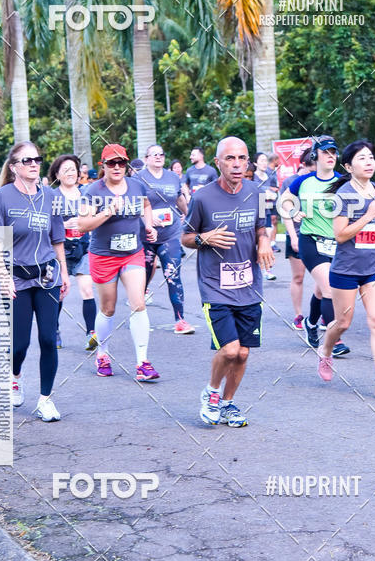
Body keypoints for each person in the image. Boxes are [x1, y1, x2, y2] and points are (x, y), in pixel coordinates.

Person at [181, 136, 274, 427]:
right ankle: (211, 392)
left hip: (249, 285)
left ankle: (228, 403)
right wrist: (204, 238)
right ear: (217, 162)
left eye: (242, 158)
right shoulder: (202, 197)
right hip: (215, 285)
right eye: (230, 159)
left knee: (243, 353)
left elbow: (262, 227)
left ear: (248, 162)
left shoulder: (255, 192)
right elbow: (185, 237)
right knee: (230, 349)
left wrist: (264, 242)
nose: (236, 164)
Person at [0, 142, 69, 421]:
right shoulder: (1, 197)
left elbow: (57, 239)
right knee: (19, 345)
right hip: (16, 278)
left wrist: (65, 273)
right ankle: (15, 376)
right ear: (14, 167)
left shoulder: (50, 196)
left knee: (48, 338)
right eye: (27, 160)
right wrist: (3, 278)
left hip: (47, 275)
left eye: (37, 159)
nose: (34, 164)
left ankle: (45, 400)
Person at [316, 140, 375, 397]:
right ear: (348, 166)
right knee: (343, 322)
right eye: (362, 158)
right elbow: (340, 235)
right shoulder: (343, 196)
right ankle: (325, 350)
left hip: (374, 267)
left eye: (371, 157)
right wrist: (366, 217)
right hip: (346, 269)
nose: (369, 162)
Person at [76, 143, 160, 381]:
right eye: (111, 163)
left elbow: (146, 205)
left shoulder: (136, 186)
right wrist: (108, 212)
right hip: (103, 256)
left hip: (132, 253)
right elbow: (82, 225)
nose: (116, 167)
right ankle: (102, 353)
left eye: (121, 162)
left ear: (126, 164)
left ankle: (142, 362)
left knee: (138, 304)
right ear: (103, 166)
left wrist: (149, 226)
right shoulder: (93, 191)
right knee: (108, 308)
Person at [281, 136, 349, 356]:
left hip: (336, 243)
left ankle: (311, 322)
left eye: (333, 153)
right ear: (315, 156)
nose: (330, 156)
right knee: (330, 288)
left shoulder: (344, 181)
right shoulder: (304, 181)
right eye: (325, 152)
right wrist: (293, 211)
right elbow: (284, 201)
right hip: (311, 241)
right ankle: (334, 341)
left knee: (321, 289)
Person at [137, 144, 194, 334]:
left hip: (170, 234)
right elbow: (133, 204)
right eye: (154, 154)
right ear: (146, 158)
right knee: (141, 279)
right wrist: (146, 217)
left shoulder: (172, 177)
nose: (159, 157)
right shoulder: (138, 178)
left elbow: (179, 199)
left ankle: (180, 320)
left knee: (173, 276)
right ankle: (137, 317)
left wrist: (191, 218)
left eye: (162, 154)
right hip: (145, 236)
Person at [49, 154, 98, 351]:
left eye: (73, 169)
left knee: (87, 289)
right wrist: (63, 224)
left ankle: (91, 334)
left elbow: (94, 218)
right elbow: (44, 224)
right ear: (57, 174)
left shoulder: (86, 194)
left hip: (83, 247)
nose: (70, 173)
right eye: (65, 170)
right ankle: (54, 331)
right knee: (59, 293)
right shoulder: (52, 196)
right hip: (59, 251)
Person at [280, 155, 313, 329]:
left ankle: (321, 315)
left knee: (325, 278)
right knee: (298, 276)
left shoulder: (323, 179)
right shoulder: (291, 182)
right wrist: (293, 236)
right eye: (311, 168)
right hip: (297, 233)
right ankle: (298, 314)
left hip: (319, 235)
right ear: (303, 165)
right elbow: (284, 210)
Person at [253, 152, 278, 279]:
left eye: (265, 160)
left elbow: (274, 189)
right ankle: (255, 269)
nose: (264, 163)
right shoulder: (252, 177)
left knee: (266, 240)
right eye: (261, 160)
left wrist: (273, 195)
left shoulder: (269, 176)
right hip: (254, 213)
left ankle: (266, 270)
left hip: (266, 210)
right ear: (255, 163)